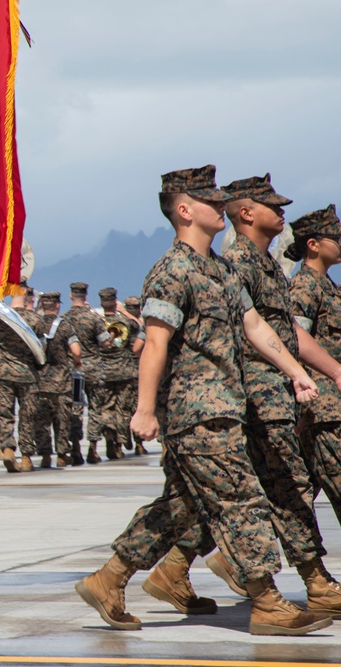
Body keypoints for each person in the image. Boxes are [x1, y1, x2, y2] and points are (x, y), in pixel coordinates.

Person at [75, 164, 331, 636]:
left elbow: (257, 328)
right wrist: (145, 409)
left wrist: (297, 373)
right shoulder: (172, 270)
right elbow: (155, 343)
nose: (221, 208)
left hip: (225, 407)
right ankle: (268, 601)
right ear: (185, 210)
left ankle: (109, 579)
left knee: (183, 507)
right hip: (196, 412)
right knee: (241, 500)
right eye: (211, 202)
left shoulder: (218, 268)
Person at [150, 175, 341, 618]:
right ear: (247, 213)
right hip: (245, 400)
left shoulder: (251, 263)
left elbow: (267, 328)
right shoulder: (232, 262)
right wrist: (322, 371)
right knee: (267, 489)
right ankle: (307, 584)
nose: (282, 213)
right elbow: (266, 331)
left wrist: (295, 375)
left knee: (222, 497)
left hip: (257, 397)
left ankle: (166, 569)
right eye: (272, 206)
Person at [290, 204, 341, 530]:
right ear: (314, 244)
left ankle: (226, 557)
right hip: (323, 410)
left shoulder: (327, 286)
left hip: (331, 407)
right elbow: (294, 342)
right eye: (336, 236)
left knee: (295, 493)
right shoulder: (305, 287)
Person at [0, 290, 48, 472]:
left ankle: (7, 449)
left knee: (5, 414)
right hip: (27, 374)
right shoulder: (35, 320)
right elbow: (41, 347)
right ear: (29, 297)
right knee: (27, 416)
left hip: (4, 373)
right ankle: (26, 457)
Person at [60, 282, 108, 464]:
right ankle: (93, 449)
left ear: (71, 297)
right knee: (96, 409)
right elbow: (105, 342)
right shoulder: (93, 318)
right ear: (86, 297)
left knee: (75, 409)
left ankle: (75, 448)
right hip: (93, 369)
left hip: (74, 370)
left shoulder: (63, 319)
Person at [95, 287, 142, 460]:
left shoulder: (97, 322)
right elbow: (139, 325)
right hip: (124, 371)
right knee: (123, 409)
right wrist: (124, 312)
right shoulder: (126, 322)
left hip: (105, 372)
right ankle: (120, 444)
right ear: (115, 302)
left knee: (107, 407)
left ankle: (109, 436)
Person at [33, 291, 74, 468]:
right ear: (57, 305)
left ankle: (45, 455)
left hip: (41, 381)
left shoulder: (35, 325)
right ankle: (62, 455)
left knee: (42, 421)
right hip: (62, 382)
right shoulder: (65, 326)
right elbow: (77, 351)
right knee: (62, 419)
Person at [122, 296, 150, 456]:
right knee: (136, 406)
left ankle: (123, 438)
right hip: (139, 370)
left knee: (124, 406)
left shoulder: (120, 322)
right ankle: (139, 443)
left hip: (124, 369)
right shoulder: (141, 324)